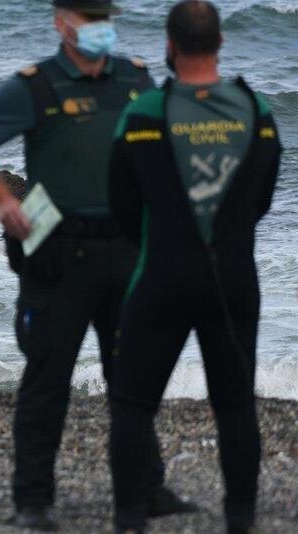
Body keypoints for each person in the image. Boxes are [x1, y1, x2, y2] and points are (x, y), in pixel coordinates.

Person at [0, 1, 196, 530]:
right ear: (62, 24)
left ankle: (146, 487)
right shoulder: (36, 86)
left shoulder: (134, 78)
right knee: (48, 377)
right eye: (88, 19)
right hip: (58, 253)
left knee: (131, 376)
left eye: (104, 18)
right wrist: (2, 200)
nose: (99, 28)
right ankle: (32, 501)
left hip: (127, 249)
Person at [107, 1, 283, 533]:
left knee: (134, 403)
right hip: (233, 277)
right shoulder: (258, 111)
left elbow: (121, 202)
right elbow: (263, 199)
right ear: (220, 44)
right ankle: (240, 519)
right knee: (234, 405)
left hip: (162, 273)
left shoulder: (143, 112)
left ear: (169, 45)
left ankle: (131, 519)